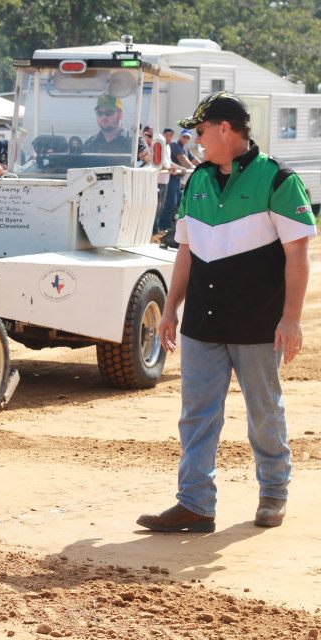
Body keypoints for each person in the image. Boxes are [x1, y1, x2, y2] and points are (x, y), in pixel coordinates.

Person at [137, 92, 316, 533]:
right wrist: (170, 309)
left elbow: (297, 254)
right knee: (197, 415)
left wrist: (291, 318)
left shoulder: (278, 179)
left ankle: (273, 494)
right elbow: (186, 250)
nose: (196, 140)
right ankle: (195, 504)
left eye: (200, 131)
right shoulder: (197, 180)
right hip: (202, 320)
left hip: (259, 322)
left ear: (225, 129)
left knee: (264, 413)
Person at [82, 94, 148, 162]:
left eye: (108, 113)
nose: (103, 117)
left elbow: (146, 164)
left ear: (120, 115)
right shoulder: (90, 144)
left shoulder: (135, 142)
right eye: (99, 113)